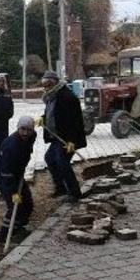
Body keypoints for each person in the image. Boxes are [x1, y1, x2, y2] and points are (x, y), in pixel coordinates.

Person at [37, 71, 86, 200]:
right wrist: (43, 118)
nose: (45, 87)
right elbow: (52, 114)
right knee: (49, 158)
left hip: (67, 138)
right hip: (57, 137)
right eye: (44, 84)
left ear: (55, 82)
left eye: (48, 84)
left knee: (62, 162)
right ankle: (61, 188)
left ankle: (75, 193)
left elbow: (74, 121)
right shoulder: (51, 96)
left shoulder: (67, 97)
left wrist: (71, 141)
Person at [0, 116, 37, 243]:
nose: (25, 133)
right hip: (5, 179)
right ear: (18, 128)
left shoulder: (30, 137)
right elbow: (6, 172)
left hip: (17, 176)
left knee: (27, 204)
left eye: (29, 130)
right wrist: (13, 193)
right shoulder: (11, 146)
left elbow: (30, 141)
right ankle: (3, 237)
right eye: (23, 129)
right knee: (15, 207)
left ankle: (17, 229)